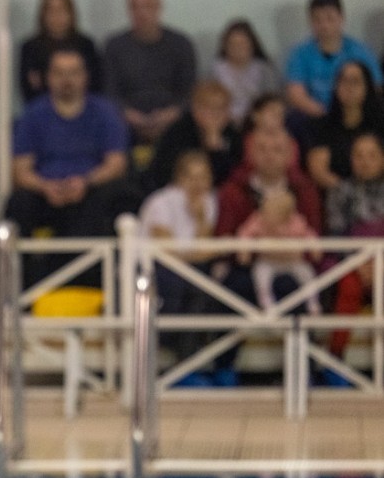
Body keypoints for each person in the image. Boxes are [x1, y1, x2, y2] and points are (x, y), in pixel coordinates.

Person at [4, 47, 133, 287]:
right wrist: (45, 187)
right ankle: (24, 288)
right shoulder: (33, 115)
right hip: (45, 193)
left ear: (85, 76)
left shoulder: (105, 113)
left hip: (90, 191)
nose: (67, 80)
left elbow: (116, 163)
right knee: (18, 204)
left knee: (109, 201)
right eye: (59, 73)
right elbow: (21, 169)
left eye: (73, 73)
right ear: (48, 78)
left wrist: (86, 182)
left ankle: (87, 287)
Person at [211, 128, 323, 386]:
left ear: (290, 155)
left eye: (277, 150)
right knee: (230, 290)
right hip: (251, 265)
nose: (270, 156)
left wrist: (295, 249)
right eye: (262, 149)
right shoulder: (233, 190)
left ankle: (302, 368)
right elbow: (226, 236)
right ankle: (223, 366)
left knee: (299, 291)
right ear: (250, 153)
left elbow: (315, 234)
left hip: (293, 262)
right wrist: (252, 250)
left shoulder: (304, 190)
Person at [138, 150, 218, 386]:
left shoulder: (209, 202)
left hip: (185, 270)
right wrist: (198, 253)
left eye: (203, 177)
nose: (198, 184)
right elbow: (166, 250)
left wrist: (201, 220)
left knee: (203, 287)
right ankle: (170, 365)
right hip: (150, 269)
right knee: (182, 286)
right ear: (179, 178)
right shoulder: (161, 202)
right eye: (191, 177)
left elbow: (204, 250)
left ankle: (187, 366)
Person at [102, 0, 197, 146]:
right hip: (126, 124)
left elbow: (189, 92)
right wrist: (130, 115)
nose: (141, 12)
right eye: (135, 6)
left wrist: (168, 115)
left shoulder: (181, 45)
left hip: (173, 124)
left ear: (159, 7)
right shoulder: (114, 46)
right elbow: (109, 92)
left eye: (147, 5)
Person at [325, 132, 384, 376]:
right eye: (359, 155)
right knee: (348, 288)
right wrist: (359, 263)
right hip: (351, 263)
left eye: (371, 155)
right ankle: (334, 363)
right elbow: (336, 234)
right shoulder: (341, 191)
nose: (365, 161)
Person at [284, 0, 383, 121]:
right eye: (317, 20)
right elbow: (296, 94)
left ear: (341, 18)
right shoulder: (300, 54)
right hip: (315, 117)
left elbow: (375, 88)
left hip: (355, 116)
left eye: (330, 18)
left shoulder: (361, 51)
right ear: (310, 21)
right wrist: (326, 116)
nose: (324, 25)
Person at [142, 80, 242, 194]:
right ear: (195, 108)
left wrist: (216, 147)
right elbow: (167, 173)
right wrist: (212, 148)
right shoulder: (179, 132)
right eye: (210, 108)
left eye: (222, 108)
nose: (216, 114)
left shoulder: (232, 134)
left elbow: (232, 174)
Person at [235, 189, 322, 315]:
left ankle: (312, 303)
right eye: (266, 210)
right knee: (260, 275)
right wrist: (244, 251)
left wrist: (315, 249)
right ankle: (267, 304)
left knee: (307, 274)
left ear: (287, 212)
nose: (268, 214)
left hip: (293, 261)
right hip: (268, 261)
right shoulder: (258, 219)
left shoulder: (296, 221)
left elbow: (309, 235)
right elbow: (245, 233)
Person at [306, 61, 384, 192]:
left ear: (367, 87)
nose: (349, 87)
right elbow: (318, 170)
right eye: (343, 81)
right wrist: (348, 191)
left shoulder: (380, 123)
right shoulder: (323, 125)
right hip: (339, 194)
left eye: (355, 81)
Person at [17, 0, 101, 103]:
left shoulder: (86, 46)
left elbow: (95, 85)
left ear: (71, 13)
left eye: (61, 9)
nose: (56, 16)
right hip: (42, 110)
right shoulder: (30, 48)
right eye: (51, 10)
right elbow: (29, 90)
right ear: (43, 14)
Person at [211, 19, 280, 125]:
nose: (238, 48)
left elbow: (272, 100)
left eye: (242, 44)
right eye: (233, 44)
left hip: (259, 122)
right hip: (225, 121)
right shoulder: (216, 70)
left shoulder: (264, 69)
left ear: (252, 45)